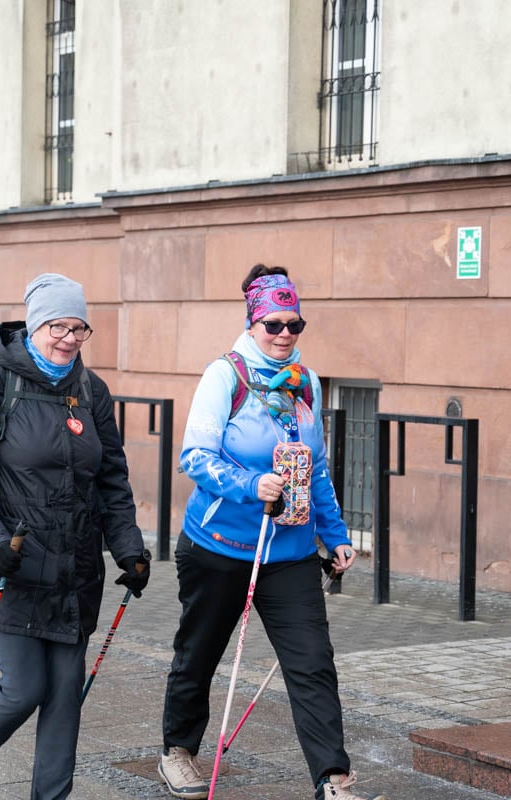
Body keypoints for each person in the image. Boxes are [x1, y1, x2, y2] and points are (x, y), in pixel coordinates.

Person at [159, 265, 387, 800]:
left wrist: (335, 534)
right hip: (220, 546)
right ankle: (178, 751)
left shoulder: (306, 382)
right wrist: (250, 484)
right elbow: (195, 458)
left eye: (294, 324)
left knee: (312, 664)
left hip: (289, 551)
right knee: (199, 655)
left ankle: (332, 780)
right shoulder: (225, 376)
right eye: (273, 324)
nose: (285, 334)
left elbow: (317, 467)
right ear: (253, 322)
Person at [0, 272, 151, 800]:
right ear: (35, 326)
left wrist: (129, 548)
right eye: (57, 327)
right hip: (11, 565)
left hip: (73, 569)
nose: (68, 338)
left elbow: (112, 479)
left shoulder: (91, 390)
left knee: (64, 698)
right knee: (24, 687)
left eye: (79, 328)